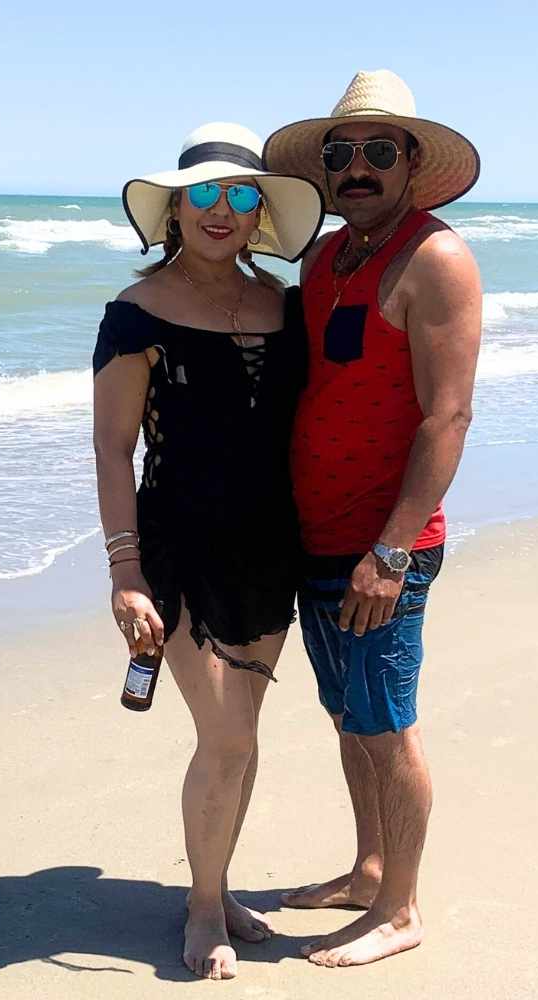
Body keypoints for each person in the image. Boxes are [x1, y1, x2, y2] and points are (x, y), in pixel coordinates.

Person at [92, 122, 323, 981]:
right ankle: (200, 909)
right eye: (203, 196)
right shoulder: (135, 314)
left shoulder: (286, 305)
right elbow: (114, 448)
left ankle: (216, 884)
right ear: (175, 211)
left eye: (239, 195)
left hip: (273, 547)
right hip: (178, 551)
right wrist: (124, 573)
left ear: (258, 210)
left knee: (244, 735)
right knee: (224, 736)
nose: (221, 211)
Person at [263, 70, 482, 967]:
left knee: (387, 720)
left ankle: (401, 909)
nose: (356, 168)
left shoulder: (435, 259)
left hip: (382, 547)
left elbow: (448, 417)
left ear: (411, 163)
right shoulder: (324, 257)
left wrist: (390, 551)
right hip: (316, 535)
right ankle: (368, 869)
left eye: (378, 151)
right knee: (350, 715)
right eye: (341, 153)